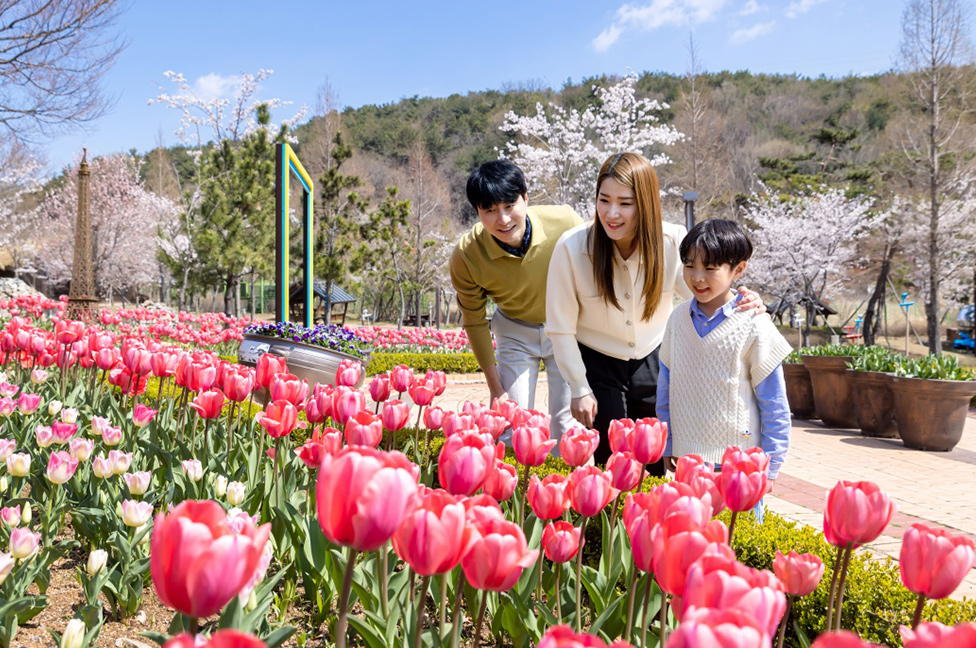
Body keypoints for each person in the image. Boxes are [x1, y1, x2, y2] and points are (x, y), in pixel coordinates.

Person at [545, 152, 763, 468]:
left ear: (645, 203)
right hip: (599, 360)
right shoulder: (572, 247)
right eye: (603, 200)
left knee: (655, 458)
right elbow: (560, 327)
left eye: (625, 203)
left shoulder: (672, 241)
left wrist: (742, 302)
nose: (612, 213)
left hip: (654, 356)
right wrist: (579, 388)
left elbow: (704, 295)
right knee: (612, 461)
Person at [449, 159, 583, 445]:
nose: (503, 219)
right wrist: (495, 387)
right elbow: (473, 319)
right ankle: (512, 490)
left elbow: (594, 276)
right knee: (511, 423)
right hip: (514, 331)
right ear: (477, 212)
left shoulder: (566, 223)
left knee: (567, 423)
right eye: (490, 211)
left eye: (510, 205)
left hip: (566, 327)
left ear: (526, 198)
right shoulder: (467, 255)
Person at [657, 218, 792, 492]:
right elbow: (666, 389)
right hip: (688, 461)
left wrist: (772, 465)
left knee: (738, 534)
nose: (697, 277)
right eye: (689, 266)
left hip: (738, 464)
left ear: (738, 270)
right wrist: (668, 441)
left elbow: (774, 402)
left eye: (710, 268)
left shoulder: (754, 323)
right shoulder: (677, 319)